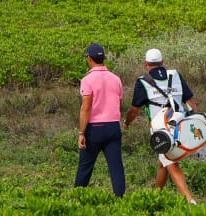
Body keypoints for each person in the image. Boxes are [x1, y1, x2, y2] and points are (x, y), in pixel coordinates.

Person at [124, 48, 198, 205]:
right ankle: (156, 196)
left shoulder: (143, 81)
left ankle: (190, 200)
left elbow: (134, 110)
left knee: (170, 162)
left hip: (160, 129)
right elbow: (191, 102)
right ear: (163, 62)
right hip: (181, 125)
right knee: (163, 162)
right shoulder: (176, 75)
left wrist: (127, 122)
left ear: (146, 64)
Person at [74, 43, 126, 197]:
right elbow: (119, 102)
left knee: (85, 166)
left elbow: (86, 107)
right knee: (116, 167)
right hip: (113, 127)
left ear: (89, 59)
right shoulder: (116, 79)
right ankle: (120, 199)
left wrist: (81, 132)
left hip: (94, 129)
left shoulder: (87, 80)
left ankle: (77, 197)